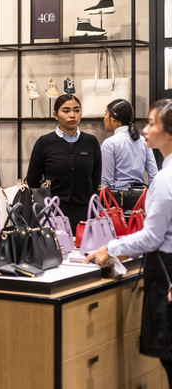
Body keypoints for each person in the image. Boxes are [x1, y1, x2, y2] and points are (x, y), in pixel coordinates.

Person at [86, 99, 172, 386]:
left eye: (152, 123)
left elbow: (152, 237)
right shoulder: (161, 173)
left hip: (165, 269)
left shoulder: (165, 179)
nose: (145, 129)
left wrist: (111, 248)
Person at [26, 94, 102, 225]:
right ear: (55, 115)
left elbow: (96, 178)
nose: (72, 115)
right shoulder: (44, 142)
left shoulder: (91, 142)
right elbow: (33, 180)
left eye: (76, 110)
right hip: (52, 213)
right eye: (66, 111)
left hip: (85, 212)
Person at [101, 98, 158, 207]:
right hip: (140, 200)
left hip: (117, 203)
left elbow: (107, 183)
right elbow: (153, 175)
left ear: (113, 117)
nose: (104, 119)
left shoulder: (109, 144)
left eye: (105, 114)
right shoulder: (143, 141)